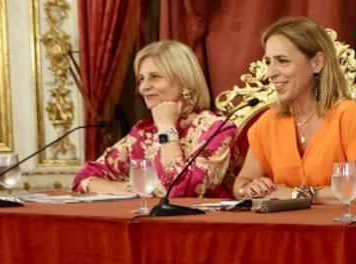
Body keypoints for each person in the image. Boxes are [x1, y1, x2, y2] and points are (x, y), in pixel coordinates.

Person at [233, 17, 356, 202]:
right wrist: (249, 188)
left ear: (316, 63)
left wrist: (301, 195)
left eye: (283, 61)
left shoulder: (346, 114)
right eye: (268, 62)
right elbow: (241, 184)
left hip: (337, 228)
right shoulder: (268, 122)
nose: (271, 73)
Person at [74, 39, 235, 198]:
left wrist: (166, 128)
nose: (143, 88)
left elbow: (180, 190)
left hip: (201, 223)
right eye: (142, 79)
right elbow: (83, 177)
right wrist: (120, 188)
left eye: (155, 77)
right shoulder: (144, 132)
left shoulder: (218, 129)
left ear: (185, 82)